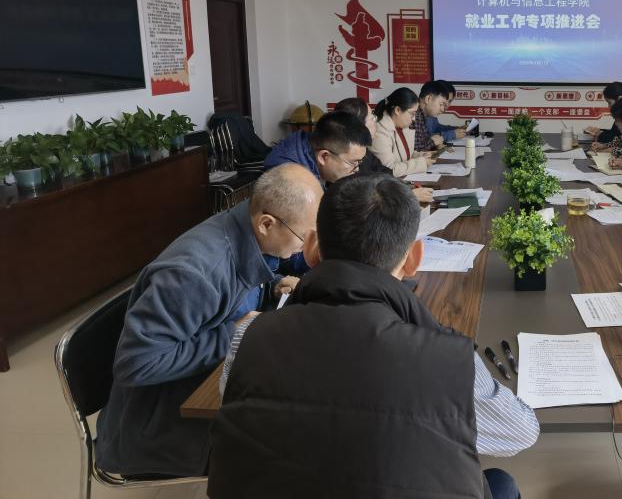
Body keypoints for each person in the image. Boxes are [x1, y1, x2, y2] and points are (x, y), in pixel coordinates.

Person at [209, 174, 538, 499]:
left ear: (311, 249)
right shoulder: (449, 359)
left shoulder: (248, 337)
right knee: (499, 483)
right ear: (414, 258)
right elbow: (521, 433)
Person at [95, 164, 324, 478]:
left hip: (194, 392)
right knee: (293, 447)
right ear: (267, 223)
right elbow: (136, 363)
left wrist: (273, 287)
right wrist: (234, 334)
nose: (306, 246)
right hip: (158, 426)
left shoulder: (246, 230)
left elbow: (236, 295)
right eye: (304, 236)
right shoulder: (194, 275)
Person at [335, 96, 434, 204]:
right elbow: (360, 197)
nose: (376, 122)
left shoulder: (366, 153)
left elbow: (384, 173)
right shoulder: (343, 159)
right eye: (372, 118)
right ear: (357, 126)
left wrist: (406, 188)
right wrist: (406, 195)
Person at [263, 109, 370, 186]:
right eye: (353, 162)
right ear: (324, 157)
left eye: (359, 162)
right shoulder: (291, 182)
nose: (357, 169)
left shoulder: (311, 146)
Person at [370, 87, 437, 177]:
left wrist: (422, 156)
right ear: (397, 110)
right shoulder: (379, 131)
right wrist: (421, 163)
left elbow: (405, 157)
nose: (414, 119)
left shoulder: (402, 125)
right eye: (412, 113)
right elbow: (389, 170)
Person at [411, 80, 465, 151]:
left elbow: (425, 139)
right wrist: (433, 142)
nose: (443, 109)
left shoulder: (424, 114)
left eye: (449, 101)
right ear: (428, 99)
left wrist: (436, 145)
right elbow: (416, 148)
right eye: (441, 104)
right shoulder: (414, 115)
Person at [586, 80, 622, 147]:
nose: (608, 106)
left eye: (609, 102)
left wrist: (600, 134)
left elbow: (619, 140)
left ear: (620, 99)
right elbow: (615, 134)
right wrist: (598, 131)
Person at [425, 79, 468, 144]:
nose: (446, 105)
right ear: (428, 99)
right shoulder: (415, 114)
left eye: (449, 101)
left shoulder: (430, 114)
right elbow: (423, 140)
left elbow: (436, 127)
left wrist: (457, 129)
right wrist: (452, 134)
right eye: (442, 102)